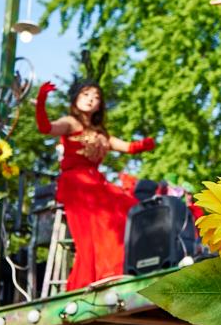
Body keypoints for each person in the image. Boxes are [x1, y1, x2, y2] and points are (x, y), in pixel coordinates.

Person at [35, 80, 155, 290]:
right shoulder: (70, 122)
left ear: (100, 105)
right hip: (77, 183)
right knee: (104, 218)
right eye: (86, 94)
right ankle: (104, 272)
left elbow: (128, 147)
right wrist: (42, 101)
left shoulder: (101, 132)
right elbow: (46, 128)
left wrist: (145, 144)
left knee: (130, 206)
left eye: (96, 96)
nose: (91, 99)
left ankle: (122, 267)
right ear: (75, 99)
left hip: (96, 183)